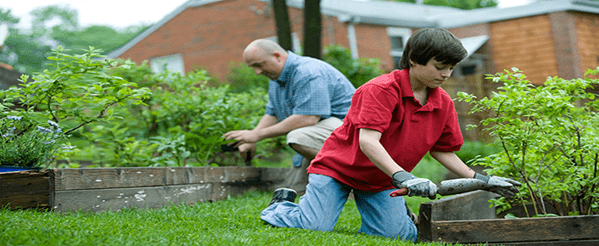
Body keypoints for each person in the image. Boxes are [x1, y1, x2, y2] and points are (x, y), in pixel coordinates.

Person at [259, 28, 521, 241]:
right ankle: (282, 206)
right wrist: (405, 176)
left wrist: (482, 179)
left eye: (451, 67)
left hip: (382, 179)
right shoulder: (380, 90)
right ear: (413, 60)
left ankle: (396, 217)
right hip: (338, 169)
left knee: (396, 236)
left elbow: (442, 149)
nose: (447, 74)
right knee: (315, 227)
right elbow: (368, 141)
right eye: (440, 66)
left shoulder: (443, 103)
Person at [222, 39, 355, 192]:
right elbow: (273, 113)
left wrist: (257, 135)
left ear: (277, 56)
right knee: (296, 188)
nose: (257, 72)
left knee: (297, 137)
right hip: (320, 134)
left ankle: (353, 177)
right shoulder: (276, 78)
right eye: (253, 67)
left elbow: (308, 118)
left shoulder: (308, 72)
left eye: (259, 65)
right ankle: (332, 182)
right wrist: (251, 138)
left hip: (349, 132)